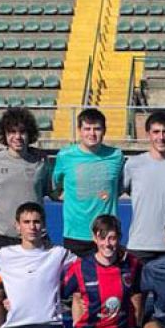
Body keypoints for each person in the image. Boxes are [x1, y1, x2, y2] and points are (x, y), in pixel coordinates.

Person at [64, 215, 154, 328]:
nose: (107, 244)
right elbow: (59, 293)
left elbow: (139, 295)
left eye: (112, 238)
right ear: (94, 238)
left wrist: (137, 326)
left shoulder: (132, 264)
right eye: (102, 238)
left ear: (119, 238)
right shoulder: (80, 267)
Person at [0, 107, 51, 257]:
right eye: (12, 132)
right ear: (4, 135)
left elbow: (50, 191)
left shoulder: (41, 162)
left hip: (34, 236)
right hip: (0, 237)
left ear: (30, 134)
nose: (17, 137)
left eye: (22, 132)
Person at [53, 108, 124, 257]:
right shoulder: (65, 156)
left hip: (106, 235)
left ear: (104, 131)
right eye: (87, 129)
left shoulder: (116, 156)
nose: (92, 133)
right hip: (75, 234)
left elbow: (119, 188)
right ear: (79, 130)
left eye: (97, 129)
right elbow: (54, 188)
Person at [122, 111, 165, 264]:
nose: (161, 137)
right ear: (148, 134)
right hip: (139, 245)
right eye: (156, 132)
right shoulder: (133, 164)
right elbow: (119, 191)